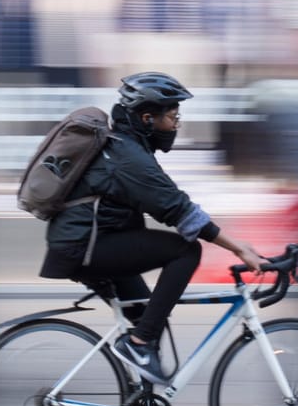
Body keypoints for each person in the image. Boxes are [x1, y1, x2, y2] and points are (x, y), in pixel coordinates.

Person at [40, 72, 268, 389]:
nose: (177, 123)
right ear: (148, 118)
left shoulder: (127, 148)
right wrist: (238, 248)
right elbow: (179, 210)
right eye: (173, 116)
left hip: (91, 243)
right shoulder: (127, 157)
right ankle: (138, 345)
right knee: (186, 250)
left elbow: (168, 203)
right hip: (85, 247)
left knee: (149, 319)